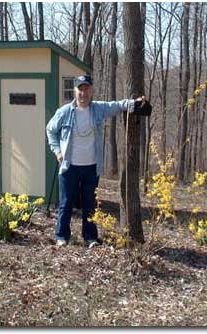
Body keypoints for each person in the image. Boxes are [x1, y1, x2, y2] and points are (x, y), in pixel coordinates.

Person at [46, 75, 150, 248]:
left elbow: (117, 105)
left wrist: (135, 103)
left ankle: (90, 237)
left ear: (91, 91)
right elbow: (50, 130)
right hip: (69, 167)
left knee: (89, 204)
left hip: (91, 167)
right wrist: (57, 151)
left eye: (86, 89)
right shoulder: (64, 112)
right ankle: (62, 236)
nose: (83, 93)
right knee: (66, 203)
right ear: (75, 91)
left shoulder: (98, 109)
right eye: (80, 89)